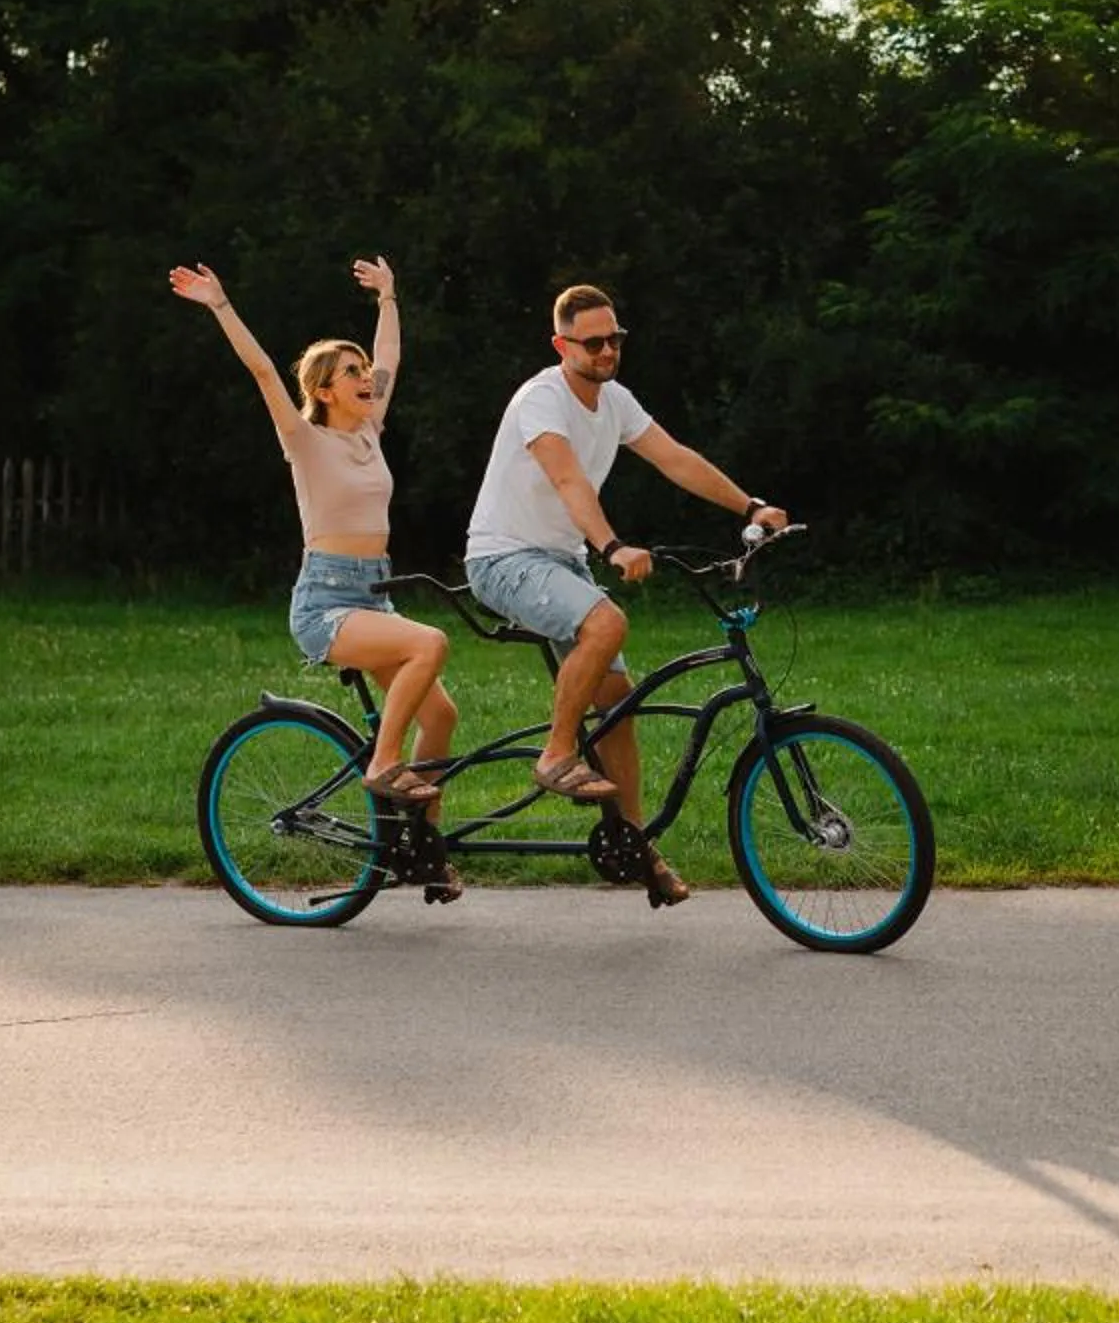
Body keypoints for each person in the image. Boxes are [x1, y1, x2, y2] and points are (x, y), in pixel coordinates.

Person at [463, 283, 787, 908]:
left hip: (559, 562)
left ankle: (634, 847)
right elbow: (566, 478)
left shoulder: (615, 400)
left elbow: (675, 458)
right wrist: (611, 547)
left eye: (616, 338)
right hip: (503, 557)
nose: (608, 349)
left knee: (616, 708)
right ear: (563, 345)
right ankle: (556, 754)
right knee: (606, 623)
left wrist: (750, 505)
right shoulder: (542, 398)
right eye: (594, 342)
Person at [169, 258, 461, 888]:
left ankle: (423, 849)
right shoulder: (304, 440)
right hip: (327, 604)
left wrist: (388, 298)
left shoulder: (370, 432)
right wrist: (221, 305)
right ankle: (383, 766)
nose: (366, 378)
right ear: (325, 391)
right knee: (430, 644)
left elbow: (391, 356)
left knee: (440, 717)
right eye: (351, 373)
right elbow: (263, 370)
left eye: (364, 372)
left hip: (372, 594)